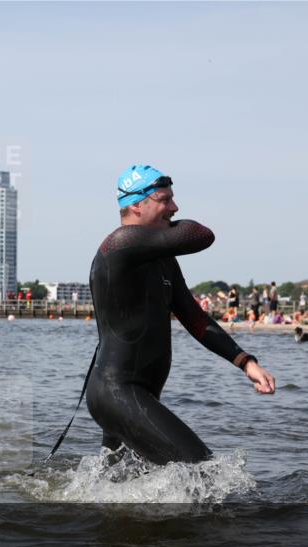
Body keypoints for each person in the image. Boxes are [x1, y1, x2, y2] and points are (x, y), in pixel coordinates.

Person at [85, 165, 275, 465]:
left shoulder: (162, 260)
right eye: (165, 200)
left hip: (136, 395)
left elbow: (194, 317)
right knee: (203, 473)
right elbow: (200, 234)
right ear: (136, 204)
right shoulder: (119, 246)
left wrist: (244, 361)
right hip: (116, 392)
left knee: (119, 494)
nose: (175, 207)